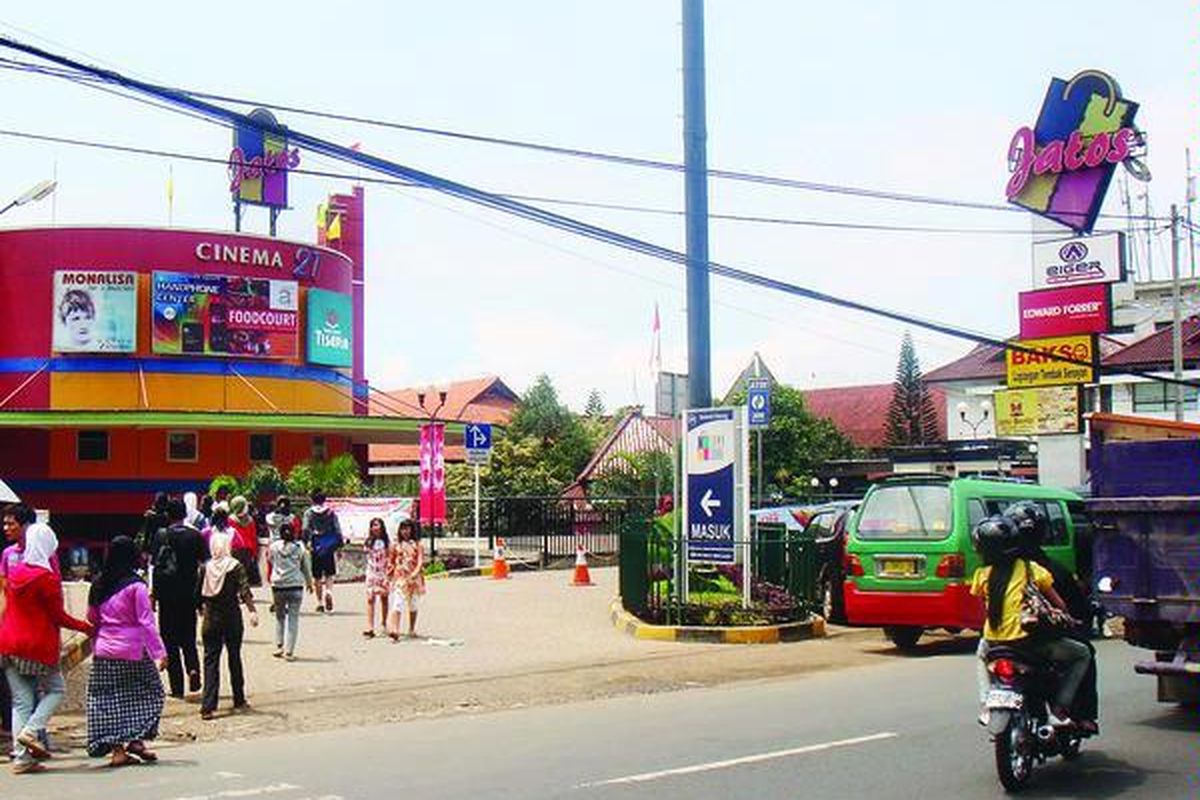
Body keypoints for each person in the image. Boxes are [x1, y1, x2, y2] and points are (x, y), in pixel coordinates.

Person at [969, 515, 1093, 730]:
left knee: (981, 654)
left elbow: (984, 611)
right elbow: (1060, 604)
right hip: (1030, 644)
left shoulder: (981, 575)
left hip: (994, 643)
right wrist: (1067, 620)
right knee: (1083, 654)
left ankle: (986, 702)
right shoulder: (1032, 569)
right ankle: (1059, 709)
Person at [0, 524, 93, 774]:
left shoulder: (16, 572)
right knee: (55, 689)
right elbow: (58, 616)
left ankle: (21, 758)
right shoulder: (47, 578)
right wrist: (85, 627)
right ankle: (32, 730)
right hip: (37, 645)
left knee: (21, 702)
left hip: (8, 642)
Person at [1005, 501, 1100, 733]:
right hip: (1039, 642)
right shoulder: (1048, 571)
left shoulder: (991, 572)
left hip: (999, 641)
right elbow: (1071, 605)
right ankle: (1078, 713)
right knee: (1085, 653)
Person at [86, 536, 167, 767]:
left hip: (104, 650)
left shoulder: (98, 584)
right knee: (150, 692)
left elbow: (91, 618)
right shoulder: (137, 586)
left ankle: (119, 750)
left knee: (108, 700)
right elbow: (146, 622)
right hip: (133, 650)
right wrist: (159, 652)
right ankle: (136, 737)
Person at [151, 497, 208, 698]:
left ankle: (177, 688)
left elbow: (155, 567)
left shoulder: (161, 535)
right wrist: (201, 597)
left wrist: (154, 595)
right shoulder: (195, 535)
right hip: (189, 594)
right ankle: (193, 668)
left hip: (166, 595)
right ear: (185, 514)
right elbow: (204, 566)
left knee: (169, 640)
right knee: (188, 637)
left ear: (168, 515)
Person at [198, 532, 257, 720]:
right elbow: (244, 589)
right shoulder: (235, 566)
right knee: (234, 657)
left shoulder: (205, 568)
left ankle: (208, 706)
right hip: (231, 617)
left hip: (211, 618)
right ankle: (238, 698)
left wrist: (200, 609)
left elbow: (197, 592)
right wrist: (252, 611)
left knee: (210, 661)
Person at [268, 522, 313, 661]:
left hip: (278, 585)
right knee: (293, 619)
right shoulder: (300, 548)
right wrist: (309, 583)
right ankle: (289, 651)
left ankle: (279, 646)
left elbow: (270, 560)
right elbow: (305, 567)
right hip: (295, 586)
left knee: (279, 617)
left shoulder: (274, 546)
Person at [302, 490, 344, 613]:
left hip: (316, 546)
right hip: (329, 546)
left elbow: (305, 529)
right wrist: (339, 546)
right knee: (329, 573)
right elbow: (337, 529)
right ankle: (329, 591)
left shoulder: (309, 513)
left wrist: (305, 543)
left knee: (317, 576)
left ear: (312, 499)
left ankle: (319, 603)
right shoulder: (330, 512)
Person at [387, 519, 426, 641]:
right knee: (397, 603)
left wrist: (415, 573)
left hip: (414, 579)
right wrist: (388, 574)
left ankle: (411, 628)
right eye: (403, 529)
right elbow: (391, 561)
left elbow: (420, 561)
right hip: (400, 578)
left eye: (407, 529)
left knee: (413, 604)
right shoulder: (395, 545)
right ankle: (395, 630)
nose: (405, 531)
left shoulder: (418, 545)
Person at [362, 518, 390, 638]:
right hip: (371, 572)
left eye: (377, 525)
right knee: (370, 599)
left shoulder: (386, 542)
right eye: (373, 525)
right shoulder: (369, 541)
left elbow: (389, 557)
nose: (375, 528)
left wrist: (388, 574)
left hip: (383, 572)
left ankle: (384, 623)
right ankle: (370, 626)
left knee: (384, 598)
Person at [228, 496, 260, 587]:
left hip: (234, 549)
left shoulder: (230, 519)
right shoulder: (250, 520)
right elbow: (253, 537)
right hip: (248, 550)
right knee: (245, 573)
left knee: (235, 573)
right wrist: (255, 552)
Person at [139, 492, 170, 557]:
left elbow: (146, 533)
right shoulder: (168, 516)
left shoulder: (151, 515)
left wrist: (144, 549)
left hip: (153, 544)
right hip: (165, 544)